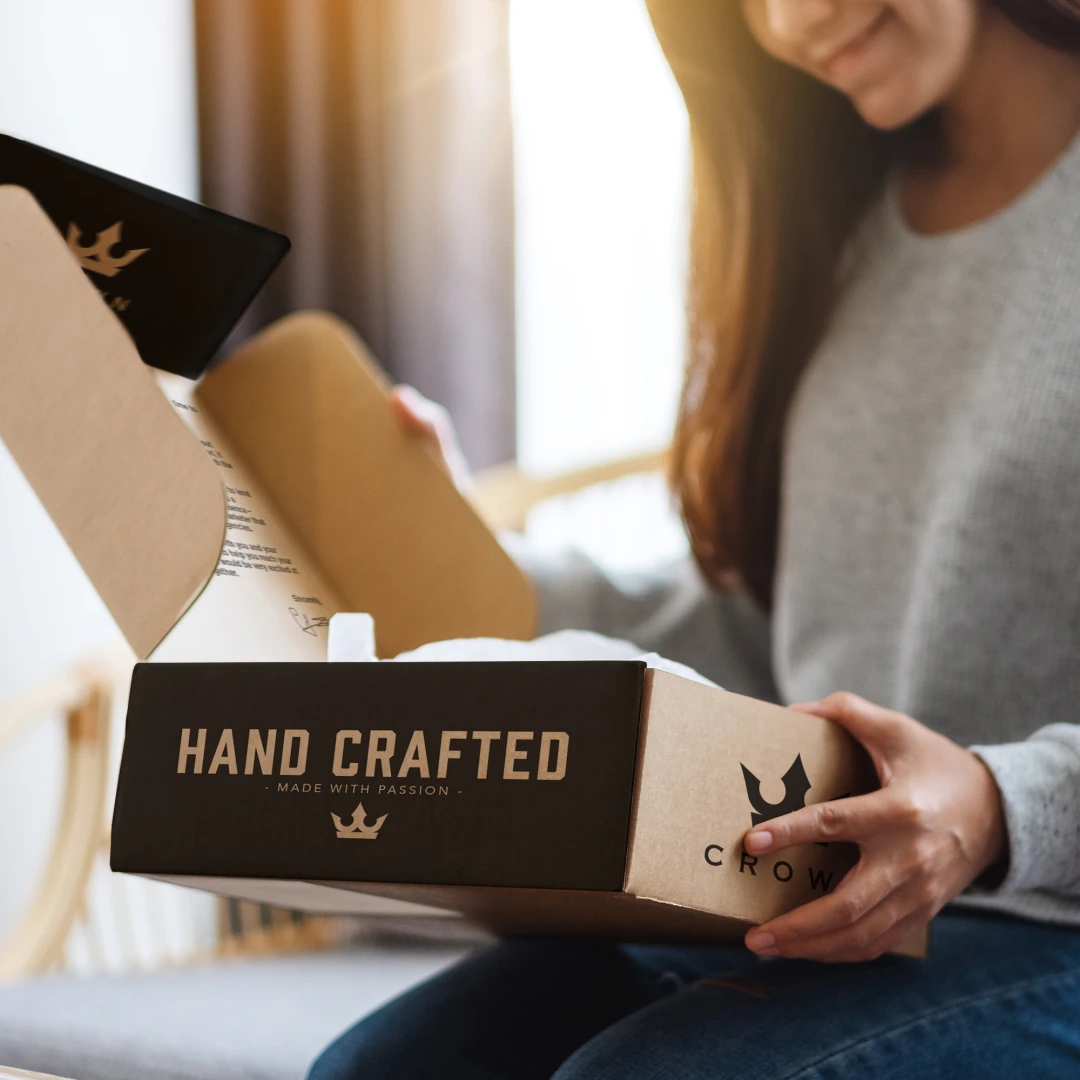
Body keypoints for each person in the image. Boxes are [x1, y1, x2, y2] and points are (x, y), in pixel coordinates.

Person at [310, 0, 1080, 1075]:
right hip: (838, 901)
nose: (792, 21)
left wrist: (1002, 808)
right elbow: (773, 636)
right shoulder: (839, 225)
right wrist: (445, 554)